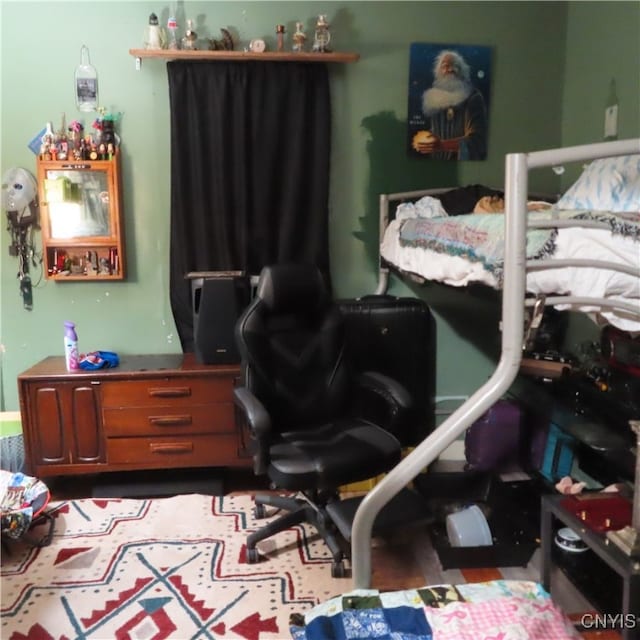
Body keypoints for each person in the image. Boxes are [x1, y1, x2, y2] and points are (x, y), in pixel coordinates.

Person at [412, 49, 488, 160]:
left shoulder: (473, 97)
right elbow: (437, 132)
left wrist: (442, 145)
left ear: (462, 71)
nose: (450, 69)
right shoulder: (434, 99)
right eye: (445, 66)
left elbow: (477, 140)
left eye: (455, 66)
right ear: (439, 72)